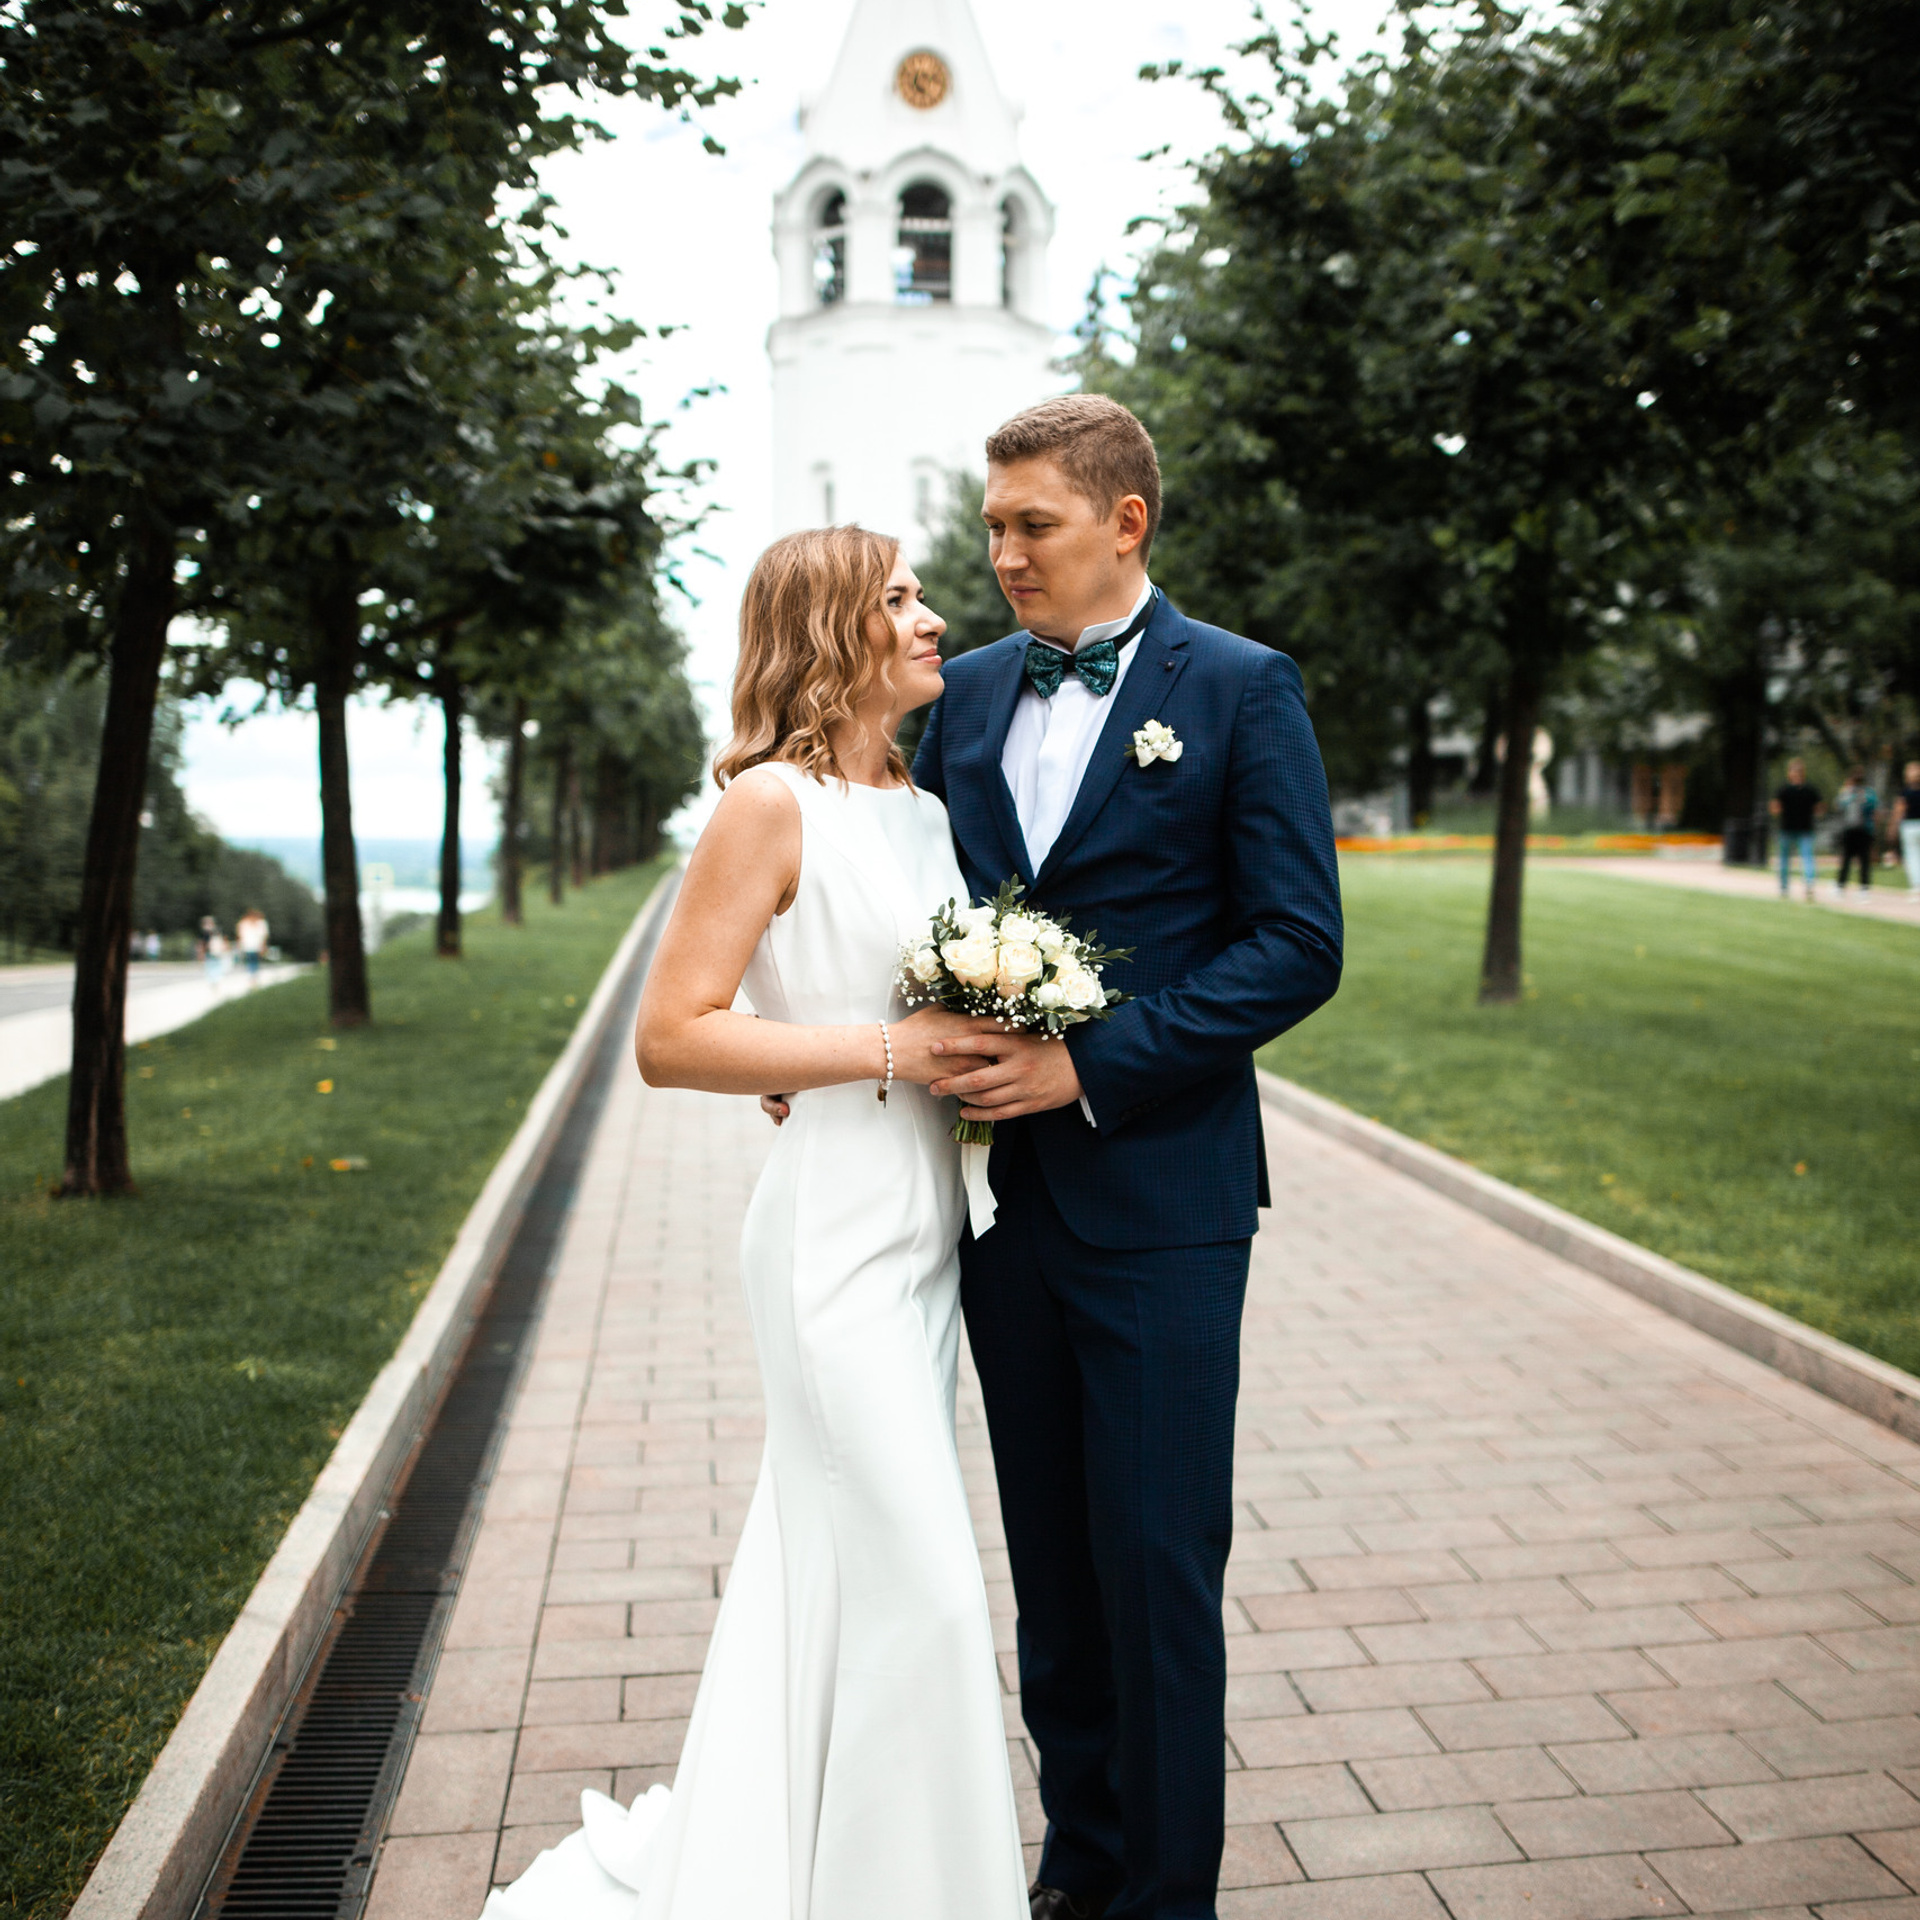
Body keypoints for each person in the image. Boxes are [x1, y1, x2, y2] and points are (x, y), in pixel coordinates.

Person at [484, 528, 1029, 1919]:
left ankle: (792, 1865)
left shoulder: (922, 802)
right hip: (831, 1247)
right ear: (834, 629)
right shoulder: (767, 808)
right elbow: (673, 1036)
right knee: (935, 1598)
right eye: (900, 598)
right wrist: (885, 1053)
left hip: (926, 1244)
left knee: (843, 1579)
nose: (932, 616)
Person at [908, 395, 1342, 1920]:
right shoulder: (955, 695)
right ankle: (1075, 1881)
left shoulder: (1238, 688)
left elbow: (1296, 946)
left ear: (1125, 521)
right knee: (1055, 1580)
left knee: (1156, 1577)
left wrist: (1091, 1062)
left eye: (1032, 524)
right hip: (993, 1211)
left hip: (1162, 1204)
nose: (1003, 554)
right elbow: (884, 881)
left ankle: (1164, 1902)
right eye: (993, 526)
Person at [1770, 758, 1823, 901]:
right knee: (1806, 859)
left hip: (1788, 829)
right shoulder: (1810, 790)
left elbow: (1774, 808)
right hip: (1803, 829)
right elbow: (1819, 809)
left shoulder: (1784, 789)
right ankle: (1809, 883)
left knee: (1785, 860)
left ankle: (1784, 887)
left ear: (1790, 773)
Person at [1832, 767, 1878, 893]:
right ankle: (1861, 887)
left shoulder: (1850, 793)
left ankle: (1845, 886)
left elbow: (1838, 806)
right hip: (1857, 830)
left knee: (1853, 859)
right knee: (1858, 859)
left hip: (1856, 830)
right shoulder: (1867, 793)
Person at [1894, 760, 1920, 895]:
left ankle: (1916, 885)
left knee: (1912, 856)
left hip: (1909, 826)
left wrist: (1894, 827)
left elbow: (1900, 810)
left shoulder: (1905, 792)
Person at [236, 907, 269, 983]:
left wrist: (263, 945)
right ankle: (253, 975)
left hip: (256, 945)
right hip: (248, 945)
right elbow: (240, 935)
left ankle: (254, 975)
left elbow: (264, 936)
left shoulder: (261, 923)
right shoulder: (244, 923)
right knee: (251, 960)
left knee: (254, 960)